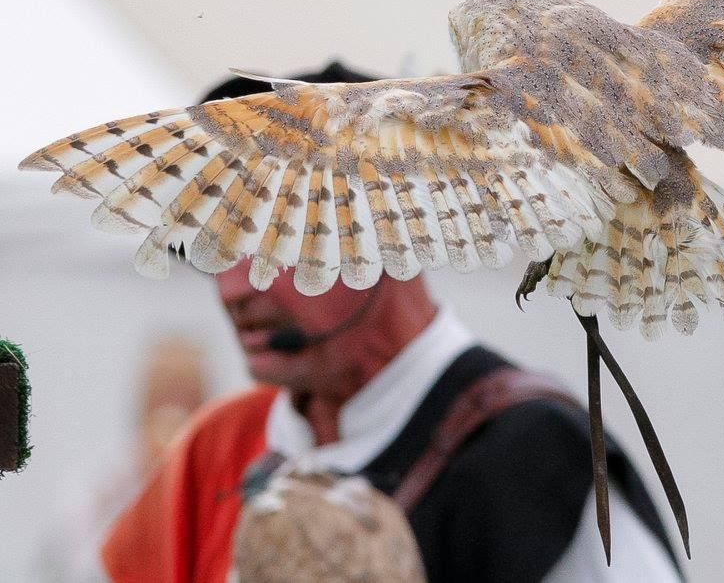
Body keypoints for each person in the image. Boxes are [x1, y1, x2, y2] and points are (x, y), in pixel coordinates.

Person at [100, 61, 684, 582]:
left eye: (268, 238)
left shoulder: (531, 458)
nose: (232, 288)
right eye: (210, 248)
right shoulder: (219, 449)